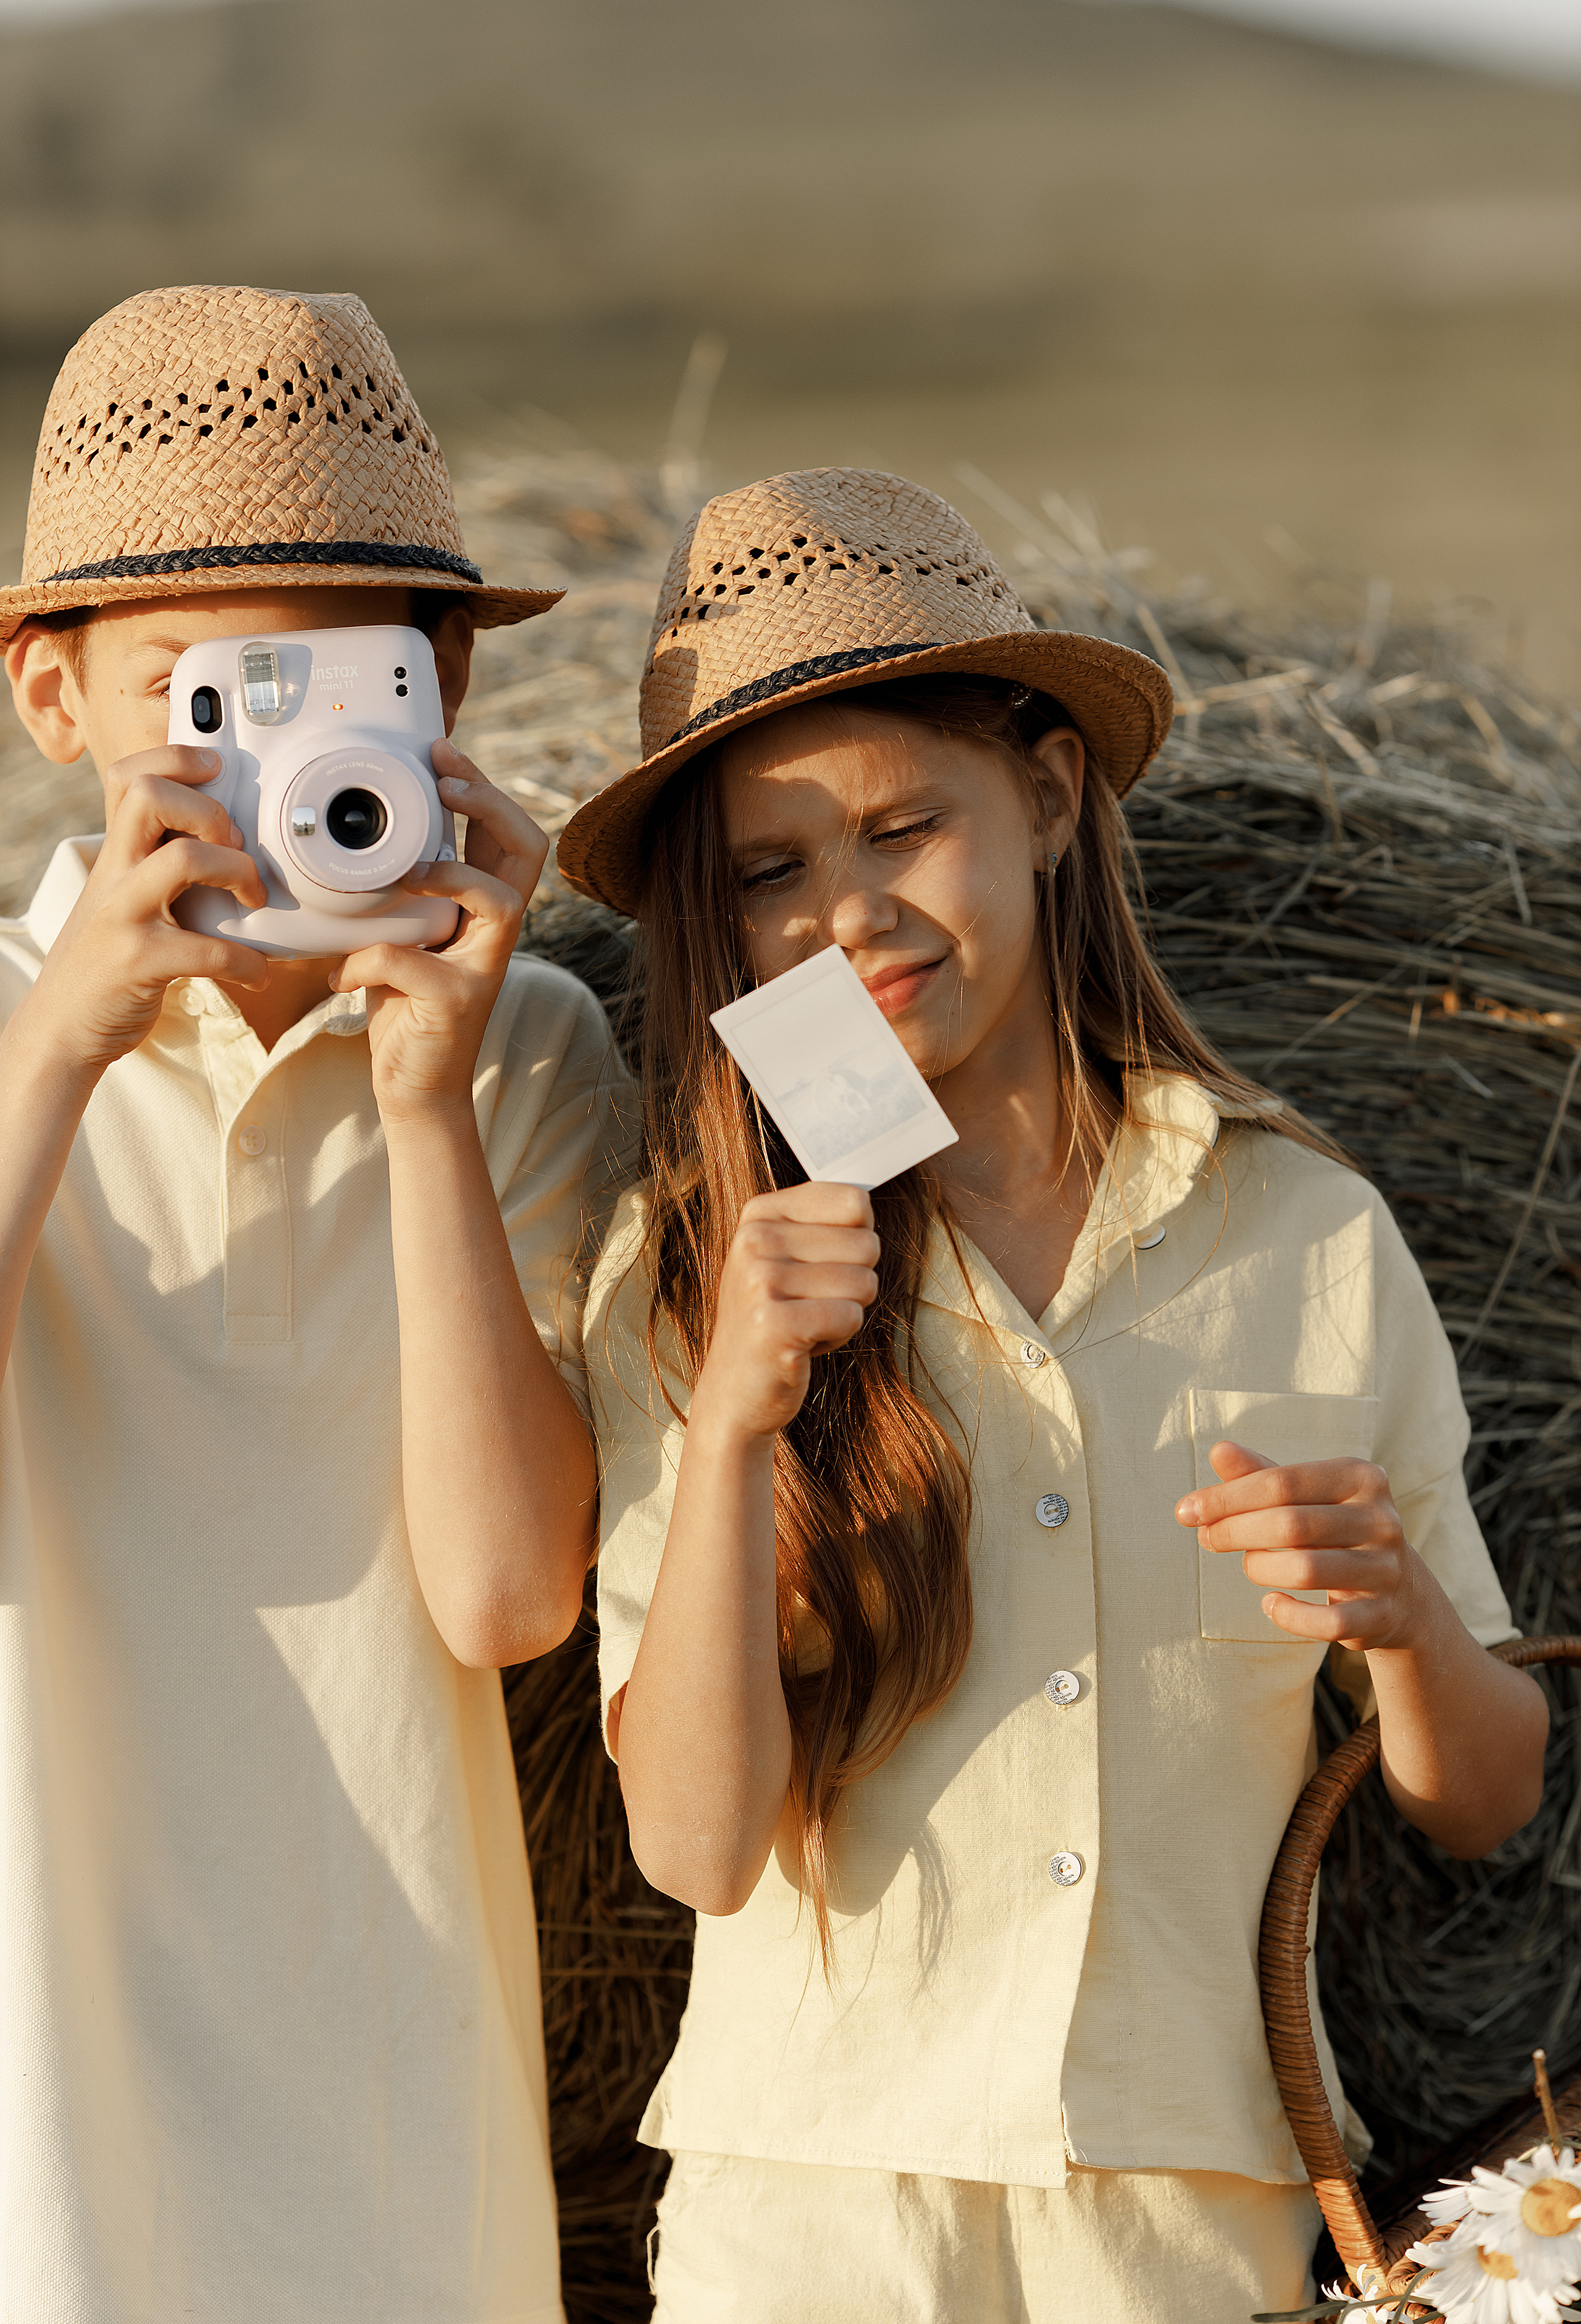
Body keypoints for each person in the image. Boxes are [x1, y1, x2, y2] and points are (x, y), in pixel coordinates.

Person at [555, 467, 1549, 2324]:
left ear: (1046, 788)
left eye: (899, 828)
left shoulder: (1307, 1235)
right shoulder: (690, 1283)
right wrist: (735, 1426)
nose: (848, 914)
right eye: (773, 874)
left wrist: (1402, 1621)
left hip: (1185, 2215)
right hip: (817, 2218)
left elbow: (1484, 1797)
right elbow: (697, 1845)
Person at [0, 285, 629, 2324]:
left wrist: (433, 1104)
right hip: (41, 2118)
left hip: (394, 2109)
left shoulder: (526, 1053)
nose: (275, 757)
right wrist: (65, 1053)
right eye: (199, 686)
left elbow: (509, 1600)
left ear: (439, 690)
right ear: (51, 699)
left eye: (341, 678)